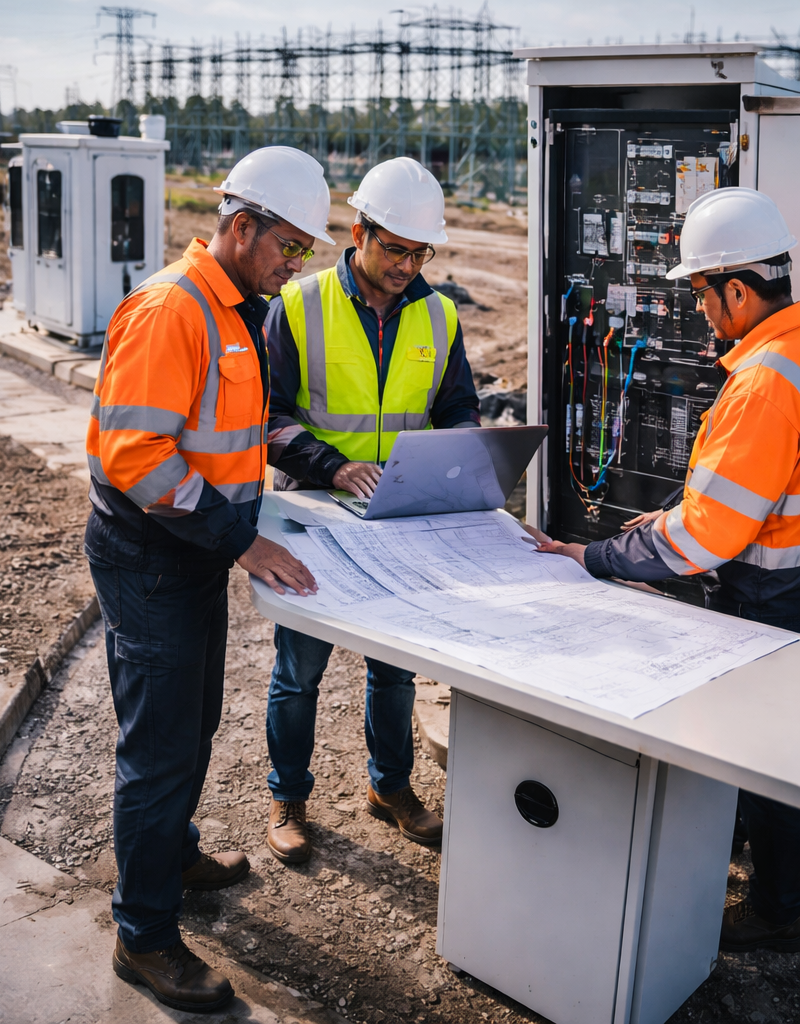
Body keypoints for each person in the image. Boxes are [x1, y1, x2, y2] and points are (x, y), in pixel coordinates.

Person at [84, 145, 326, 1013]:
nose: (294, 265)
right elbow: (138, 457)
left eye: (304, 252)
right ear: (241, 225)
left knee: (192, 727)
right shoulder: (171, 310)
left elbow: (226, 438)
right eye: (287, 246)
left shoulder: (237, 309)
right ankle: (143, 937)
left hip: (191, 552)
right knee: (155, 753)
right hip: (151, 556)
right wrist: (242, 541)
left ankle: (173, 854)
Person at [530, 186, 800, 954]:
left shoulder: (764, 381)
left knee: (765, 754)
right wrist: (682, 516)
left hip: (769, 595)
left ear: (739, 289)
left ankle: (780, 906)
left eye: (705, 296)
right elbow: (749, 497)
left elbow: (707, 539)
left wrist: (598, 555)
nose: (701, 313)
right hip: (789, 576)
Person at [261, 156, 480, 865]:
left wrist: (453, 466)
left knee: (393, 670)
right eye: (395, 249)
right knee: (299, 674)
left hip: (399, 522)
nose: (407, 265)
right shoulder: (297, 306)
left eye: (421, 253)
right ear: (359, 233)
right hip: (315, 521)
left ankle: (391, 789)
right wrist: (334, 465)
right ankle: (288, 797)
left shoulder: (440, 314)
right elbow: (264, 418)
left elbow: (458, 413)